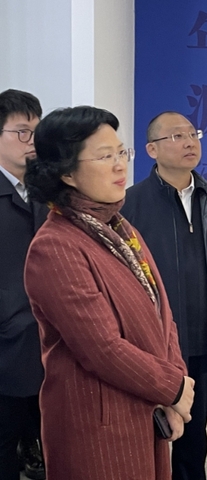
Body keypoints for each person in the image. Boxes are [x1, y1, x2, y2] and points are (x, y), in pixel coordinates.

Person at [23, 106, 195, 480]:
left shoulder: (120, 228)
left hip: (145, 406)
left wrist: (173, 388)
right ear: (66, 172)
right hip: (96, 426)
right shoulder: (55, 246)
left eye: (121, 152)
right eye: (105, 157)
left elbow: (162, 314)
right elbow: (101, 348)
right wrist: (173, 387)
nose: (120, 165)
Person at [120, 111, 207, 480]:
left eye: (193, 134)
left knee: (195, 433)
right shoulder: (131, 203)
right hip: (154, 341)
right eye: (176, 136)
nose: (189, 142)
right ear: (152, 149)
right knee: (151, 430)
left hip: (206, 337)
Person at [0, 89, 46, 480]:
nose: (32, 141)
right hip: (6, 345)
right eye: (21, 132)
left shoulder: (46, 193)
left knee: (50, 441)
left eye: (36, 131)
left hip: (47, 343)